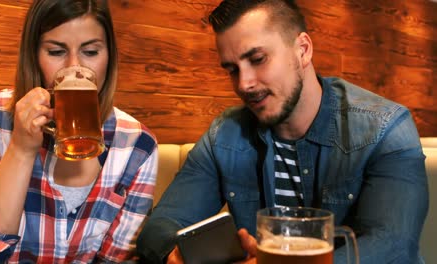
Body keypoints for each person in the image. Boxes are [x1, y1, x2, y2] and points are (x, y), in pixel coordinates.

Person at [136, 0, 429, 263]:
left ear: (302, 50)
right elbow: (161, 228)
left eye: (257, 59)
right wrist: (178, 255)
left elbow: (393, 246)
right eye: (232, 69)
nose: (244, 84)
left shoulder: (385, 127)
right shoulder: (224, 135)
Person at [0, 0, 157, 262]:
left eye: (90, 52)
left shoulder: (139, 145)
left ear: (109, 56)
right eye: (56, 52)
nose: (75, 69)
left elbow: (114, 259)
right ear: (34, 55)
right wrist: (21, 150)